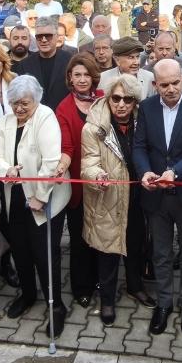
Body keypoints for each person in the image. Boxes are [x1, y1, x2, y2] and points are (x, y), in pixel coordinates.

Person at [134, 59, 182, 335]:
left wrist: (174, 172)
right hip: (156, 195)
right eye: (164, 85)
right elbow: (140, 146)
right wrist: (144, 172)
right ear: (155, 85)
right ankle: (164, 303)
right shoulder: (145, 108)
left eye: (175, 83)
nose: (170, 89)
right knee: (161, 252)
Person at [0, 75, 71, 336]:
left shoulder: (45, 117)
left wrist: (39, 196)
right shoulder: (6, 121)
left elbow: (50, 162)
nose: (18, 109)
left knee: (45, 253)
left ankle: (57, 306)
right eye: (14, 103)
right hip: (14, 195)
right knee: (20, 250)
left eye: (24, 103)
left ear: (36, 100)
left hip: (44, 197)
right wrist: (7, 170)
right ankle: (27, 295)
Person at [83, 74, 153, 324]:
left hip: (137, 197)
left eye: (128, 99)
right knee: (108, 250)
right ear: (109, 98)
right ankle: (108, 299)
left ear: (135, 102)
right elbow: (88, 162)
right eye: (116, 98)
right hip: (107, 197)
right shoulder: (94, 127)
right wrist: (97, 175)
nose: (121, 104)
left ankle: (135, 286)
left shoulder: (143, 123)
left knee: (135, 245)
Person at [52, 54, 104, 309]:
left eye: (86, 75)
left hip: (105, 180)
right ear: (69, 78)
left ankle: (100, 280)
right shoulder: (64, 107)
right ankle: (81, 286)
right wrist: (61, 166)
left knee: (101, 234)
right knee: (80, 238)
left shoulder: (105, 98)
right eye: (77, 75)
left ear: (93, 76)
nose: (82, 80)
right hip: (79, 185)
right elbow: (67, 146)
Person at [14, 16, 74, 108]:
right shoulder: (25, 65)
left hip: (63, 116)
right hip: (35, 117)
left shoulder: (70, 61)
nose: (44, 40)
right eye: (39, 37)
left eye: (48, 36)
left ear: (56, 36)